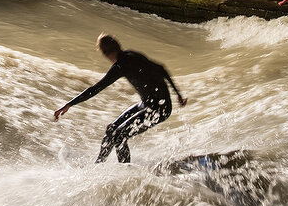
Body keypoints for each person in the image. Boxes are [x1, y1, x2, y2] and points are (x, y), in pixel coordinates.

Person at [53, 33, 187, 164]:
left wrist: (69, 104)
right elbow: (161, 69)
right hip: (148, 104)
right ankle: (99, 164)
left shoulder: (121, 65)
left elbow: (96, 88)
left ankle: (125, 171)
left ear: (106, 54)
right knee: (112, 129)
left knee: (119, 136)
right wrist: (177, 93)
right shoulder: (132, 55)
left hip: (159, 109)